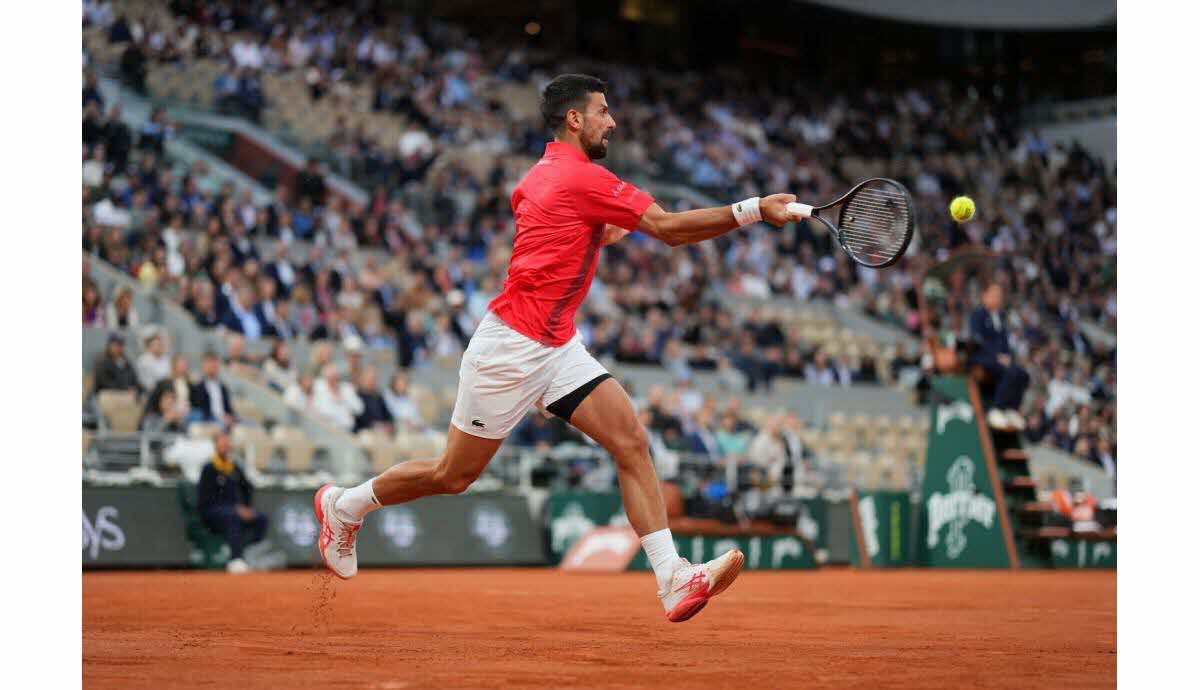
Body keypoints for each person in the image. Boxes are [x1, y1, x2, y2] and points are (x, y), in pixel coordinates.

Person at [314, 74, 803, 622]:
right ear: (576, 119)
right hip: (510, 348)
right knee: (453, 475)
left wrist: (597, 230)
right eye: (603, 111)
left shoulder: (539, 176)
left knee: (631, 441)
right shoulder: (580, 177)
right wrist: (755, 209)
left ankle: (671, 577)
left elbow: (557, 221)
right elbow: (666, 228)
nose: (611, 121)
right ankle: (344, 504)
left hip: (558, 345)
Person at [197, 433, 269, 574]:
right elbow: (206, 499)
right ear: (215, 446)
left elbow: (248, 488)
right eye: (221, 444)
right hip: (212, 513)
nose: (225, 446)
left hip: (236, 511)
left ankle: (248, 554)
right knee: (233, 518)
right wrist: (236, 509)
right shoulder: (209, 468)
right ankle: (236, 559)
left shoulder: (234, 467)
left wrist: (247, 508)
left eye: (227, 443)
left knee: (261, 519)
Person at [969, 283, 1030, 431]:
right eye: (995, 295)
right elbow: (977, 342)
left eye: (1000, 296)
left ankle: (1011, 409)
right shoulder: (978, 316)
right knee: (1009, 372)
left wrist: (1008, 357)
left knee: (1022, 374)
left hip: (1000, 360)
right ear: (984, 296)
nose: (998, 298)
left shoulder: (1000, 318)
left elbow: (1005, 344)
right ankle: (996, 409)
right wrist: (997, 357)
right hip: (983, 358)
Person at [189, 351, 235, 428]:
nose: (213, 366)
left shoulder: (223, 387)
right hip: (210, 421)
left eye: (215, 363)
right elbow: (200, 412)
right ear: (203, 365)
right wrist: (218, 418)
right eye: (209, 363)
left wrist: (232, 417)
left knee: (251, 424)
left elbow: (229, 409)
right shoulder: (197, 388)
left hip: (226, 420)